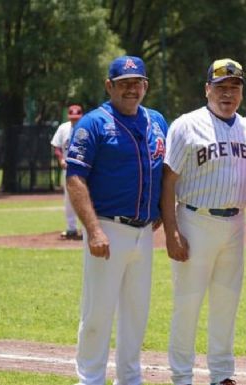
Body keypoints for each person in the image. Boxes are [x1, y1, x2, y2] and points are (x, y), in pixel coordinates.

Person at [161, 58, 246, 385]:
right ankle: (182, 377)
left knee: (226, 303)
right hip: (194, 219)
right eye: (221, 87)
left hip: (233, 225)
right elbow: (168, 180)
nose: (227, 93)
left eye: (234, 86)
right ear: (207, 89)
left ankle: (221, 375)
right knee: (187, 305)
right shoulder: (186, 125)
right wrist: (171, 231)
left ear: (241, 92)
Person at [65, 55, 168, 385]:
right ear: (110, 86)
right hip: (107, 228)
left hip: (144, 231)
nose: (131, 89)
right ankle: (90, 379)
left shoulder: (156, 121)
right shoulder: (93, 123)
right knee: (97, 313)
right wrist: (93, 229)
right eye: (123, 83)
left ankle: (130, 379)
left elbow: (163, 172)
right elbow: (75, 178)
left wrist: (163, 212)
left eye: (137, 83)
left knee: (136, 314)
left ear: (146, 86)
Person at [51, 104, 84, 240]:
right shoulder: (63, 128)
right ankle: (71, 229)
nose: (74, 120)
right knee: (69, 200)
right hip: (69, 169)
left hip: (85, 169)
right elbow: (56, 146)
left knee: (88, 198)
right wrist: (60, 159)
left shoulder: (88, 127)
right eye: (72, 118)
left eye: (77, 118)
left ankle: (88, 229)